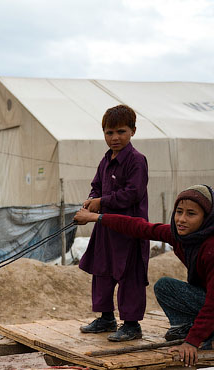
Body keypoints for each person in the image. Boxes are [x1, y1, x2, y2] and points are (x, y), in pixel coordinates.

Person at [74, 184, 214, 369]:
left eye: (191, 214)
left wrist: (192, 342)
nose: (181, 219)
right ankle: (212, 328)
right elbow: (139, 227)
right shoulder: (182, 236)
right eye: (179, 212)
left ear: (206, 218)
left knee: (188, 299)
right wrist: (96, 217)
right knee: (164, 286)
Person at [78, 104, 149, 342]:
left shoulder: (137, 161)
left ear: (133, 131)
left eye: (121, 131)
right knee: (102, 271)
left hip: (129, 230)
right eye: (109, 133)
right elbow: (96, 186)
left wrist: (102, 202)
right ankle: (106, 317)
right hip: (105, 228)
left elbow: (132, 193)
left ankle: (131, 324)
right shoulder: (106, 160)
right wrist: (90, 201)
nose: (115, 137)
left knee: (130, 275)